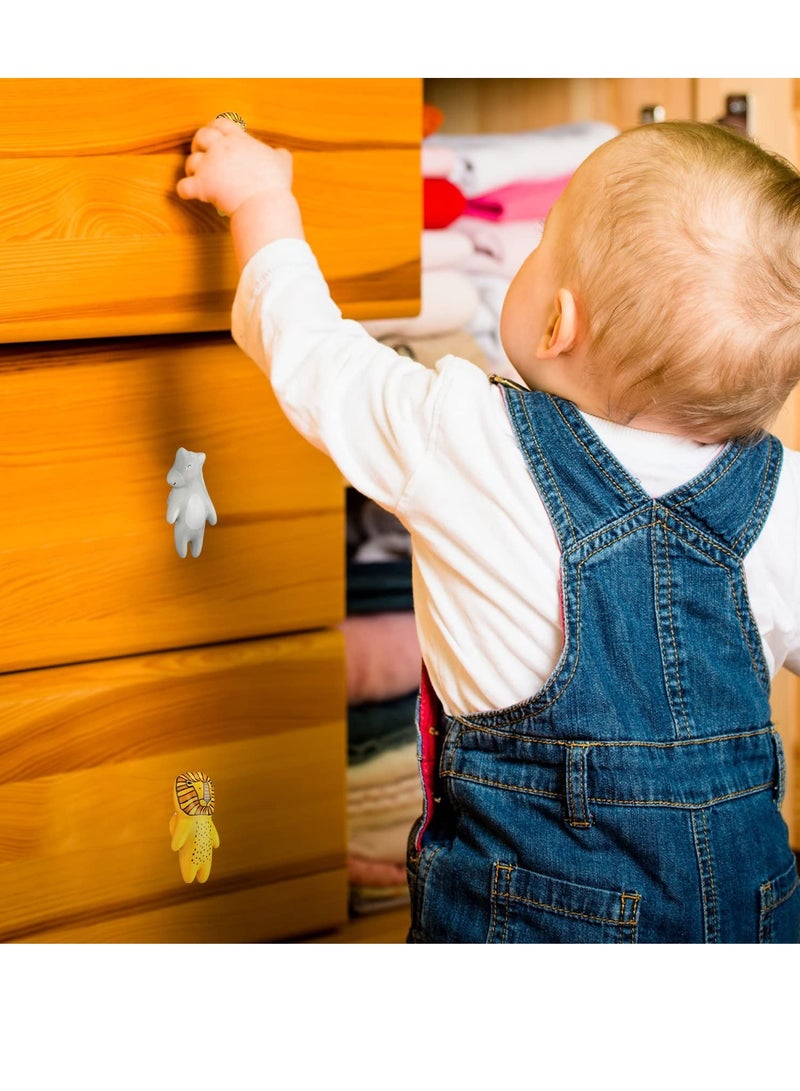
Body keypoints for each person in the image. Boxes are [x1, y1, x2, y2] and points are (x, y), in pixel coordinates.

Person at [178, 116, 800, 943]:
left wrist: (260, 200)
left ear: (556, 325)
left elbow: (313, 354)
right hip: (754, 914)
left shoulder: (466, 435)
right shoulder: (782, 491)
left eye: (541, 241)